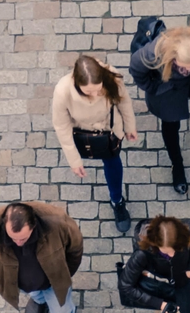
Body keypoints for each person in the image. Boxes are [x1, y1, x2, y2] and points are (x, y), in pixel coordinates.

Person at [50, 55, 139, 233]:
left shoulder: (112, 77)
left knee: (113, 161)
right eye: (88, 91)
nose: (96, 94)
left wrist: (130, 127)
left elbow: (124, 102)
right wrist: (74, 161)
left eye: (98, 90)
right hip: (83, 132)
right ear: (76, 82)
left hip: (109, 130)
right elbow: (61, 126)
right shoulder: (63, 91)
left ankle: (116, 201)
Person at [128, 25, 190, 195]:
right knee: (170, 126)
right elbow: (137, 72)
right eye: (183, 66)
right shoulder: (151, 54)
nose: (188, 70)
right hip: (167, 92)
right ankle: (177, 164)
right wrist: (155, 88)